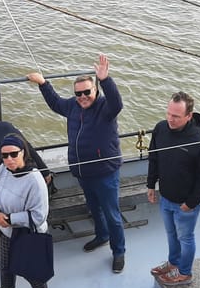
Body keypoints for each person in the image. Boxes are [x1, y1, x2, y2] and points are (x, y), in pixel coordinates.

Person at [26, 53, 126, 273]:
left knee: (112, 214)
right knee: (94, 208)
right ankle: (102, 236)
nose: (82, 97)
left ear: (95, 90)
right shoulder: (72, 106)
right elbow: (56, 103)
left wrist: (105, 79)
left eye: (87, 92)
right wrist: (43, 83)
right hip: (82, 172)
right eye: (78, 93)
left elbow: (117, 103)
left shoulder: (105, 107)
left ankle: (118, 251)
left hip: (105, 172)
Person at [147, 92, 200, 286]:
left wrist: (191, 203)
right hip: (165, 197)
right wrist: (151, 184)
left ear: (189, 116)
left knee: (185, 238)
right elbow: (154, 158)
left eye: (176, 116)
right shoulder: (160, 129)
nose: (170, 119)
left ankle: (185, 273)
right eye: (168, 113)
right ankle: (173, 262)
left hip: (186, 204)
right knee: (171, 234)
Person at [0, 134, 51, 288]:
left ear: (23, 152)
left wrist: (9, 219)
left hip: (29, 234)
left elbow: (39, 216)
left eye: (13, 154)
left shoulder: (35, 180)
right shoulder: (2, 169)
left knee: (33, 272)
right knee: (5, 267)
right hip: (7, 231)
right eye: (4, 155)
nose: (9, 159)